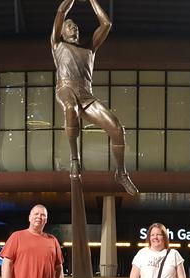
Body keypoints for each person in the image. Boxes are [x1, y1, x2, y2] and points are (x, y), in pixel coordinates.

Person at [51, 0, 139, 196]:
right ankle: (75, 159)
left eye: (75, 26)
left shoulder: (89, 48)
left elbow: (106, 24)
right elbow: (61, 11)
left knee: (117, 128)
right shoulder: (57, 45)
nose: (74, 28)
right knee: (70, 108)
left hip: (86, 95)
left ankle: (121, 173)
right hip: (66, 89)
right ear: (62, 32)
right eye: (69, 26)